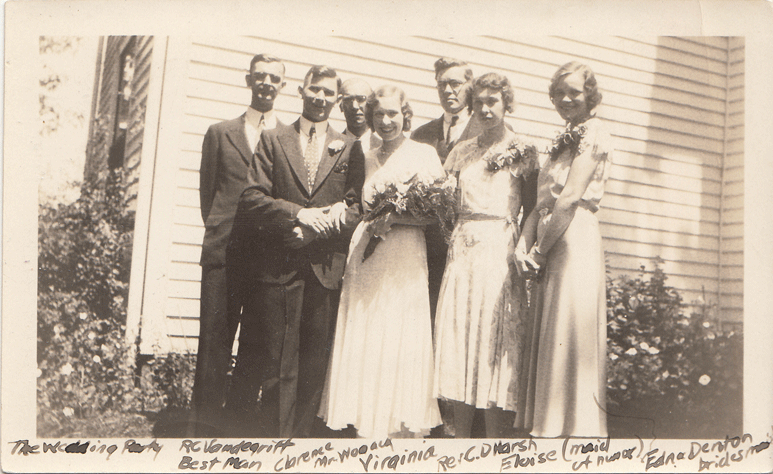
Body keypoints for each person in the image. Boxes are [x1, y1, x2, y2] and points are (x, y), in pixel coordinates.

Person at [231, 65, 365, 438]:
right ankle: (276, 441)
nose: (321, 98)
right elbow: (251, 197)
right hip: (279, 267)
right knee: (277, 362)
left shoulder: (350, 148)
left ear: (337, 99)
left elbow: (357, 208)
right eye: (315, 90)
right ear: (302, 92)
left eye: (329, 93)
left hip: (324, 268)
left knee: (314, 364)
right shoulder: (274, 139)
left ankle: (303, 445)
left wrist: (314, 235)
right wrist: (299, 214)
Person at [320, 85, 443, 439]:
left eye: (393, 114)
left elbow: (437, 214)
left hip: (404, 256)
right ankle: (367, 426)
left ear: (406, 115)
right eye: (379, 115)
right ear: (370, 118)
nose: (386, 121)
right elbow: (355, 204)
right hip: (366, 258)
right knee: (368, 331)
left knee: (401, 331)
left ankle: (400, 427)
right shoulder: (364, 155)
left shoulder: (424, 153)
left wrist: (396, 219)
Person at [433, 72, 538, 438]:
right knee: (460, 341)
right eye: (478, 102)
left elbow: (533, 210)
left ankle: (495, 445)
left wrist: (522, 249)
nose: (485, 108)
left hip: (499, 249)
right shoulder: (461, 151)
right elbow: (443, 206)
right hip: (463, 250)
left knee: (494, 344)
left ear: (507, 103)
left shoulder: (523, 150)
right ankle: (458, 442)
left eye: (493, 101)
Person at [515, 61, 613, 437]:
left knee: (569, 330)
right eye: (559, 92)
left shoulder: (594, 133)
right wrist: (526, 245)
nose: (566, 98)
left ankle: (575, 431)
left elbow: (570, 197)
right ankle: (550, 426)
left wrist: (539, 251)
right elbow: (542, 201)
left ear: (590, 94)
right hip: (551, 237)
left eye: (574, 91)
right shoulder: (566, 136)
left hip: (572, 240)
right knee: (553, 330)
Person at [192, 53, 286, 435]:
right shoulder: (220, 132)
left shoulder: (287, 138)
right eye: (259, 76)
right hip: (224, 253)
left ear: (283, 85)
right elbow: (207, 193)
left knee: (255, 346)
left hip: (267, 256)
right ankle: (201, 430)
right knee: (214, 342)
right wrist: (222, 232)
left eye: (273, 78)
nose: (266, 83)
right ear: (248, 80)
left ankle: (237, 428)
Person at [411, 58, 483, 345]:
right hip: (428, 243)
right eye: (442, 84)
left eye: (456, 83)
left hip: (471, 243)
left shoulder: (487, 131)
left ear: (470, 86)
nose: (448, 90)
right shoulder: (421, 135)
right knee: (427, 316)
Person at [339, 78, 381, 153]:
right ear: (341, 105)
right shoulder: (330, 145)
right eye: (348, 100)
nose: (354, 106)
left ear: (371, 105)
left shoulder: (382, 147)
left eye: (361, 99)